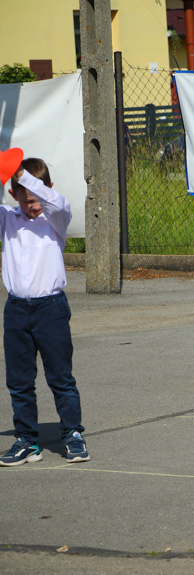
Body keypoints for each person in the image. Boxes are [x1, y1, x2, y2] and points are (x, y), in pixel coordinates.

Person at [0, 159, 89, 466]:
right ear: (13, 195)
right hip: (16, 310)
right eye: (25, 201)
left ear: (47, 190)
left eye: (36, 199)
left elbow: (56, 202)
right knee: (19, 380)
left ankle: (72, 435)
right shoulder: (8, 219)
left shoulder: (56, 219)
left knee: (60, 377)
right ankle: (26, 440)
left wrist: (22, 173)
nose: (32, 206)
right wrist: (6, 171)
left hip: (50, 309)